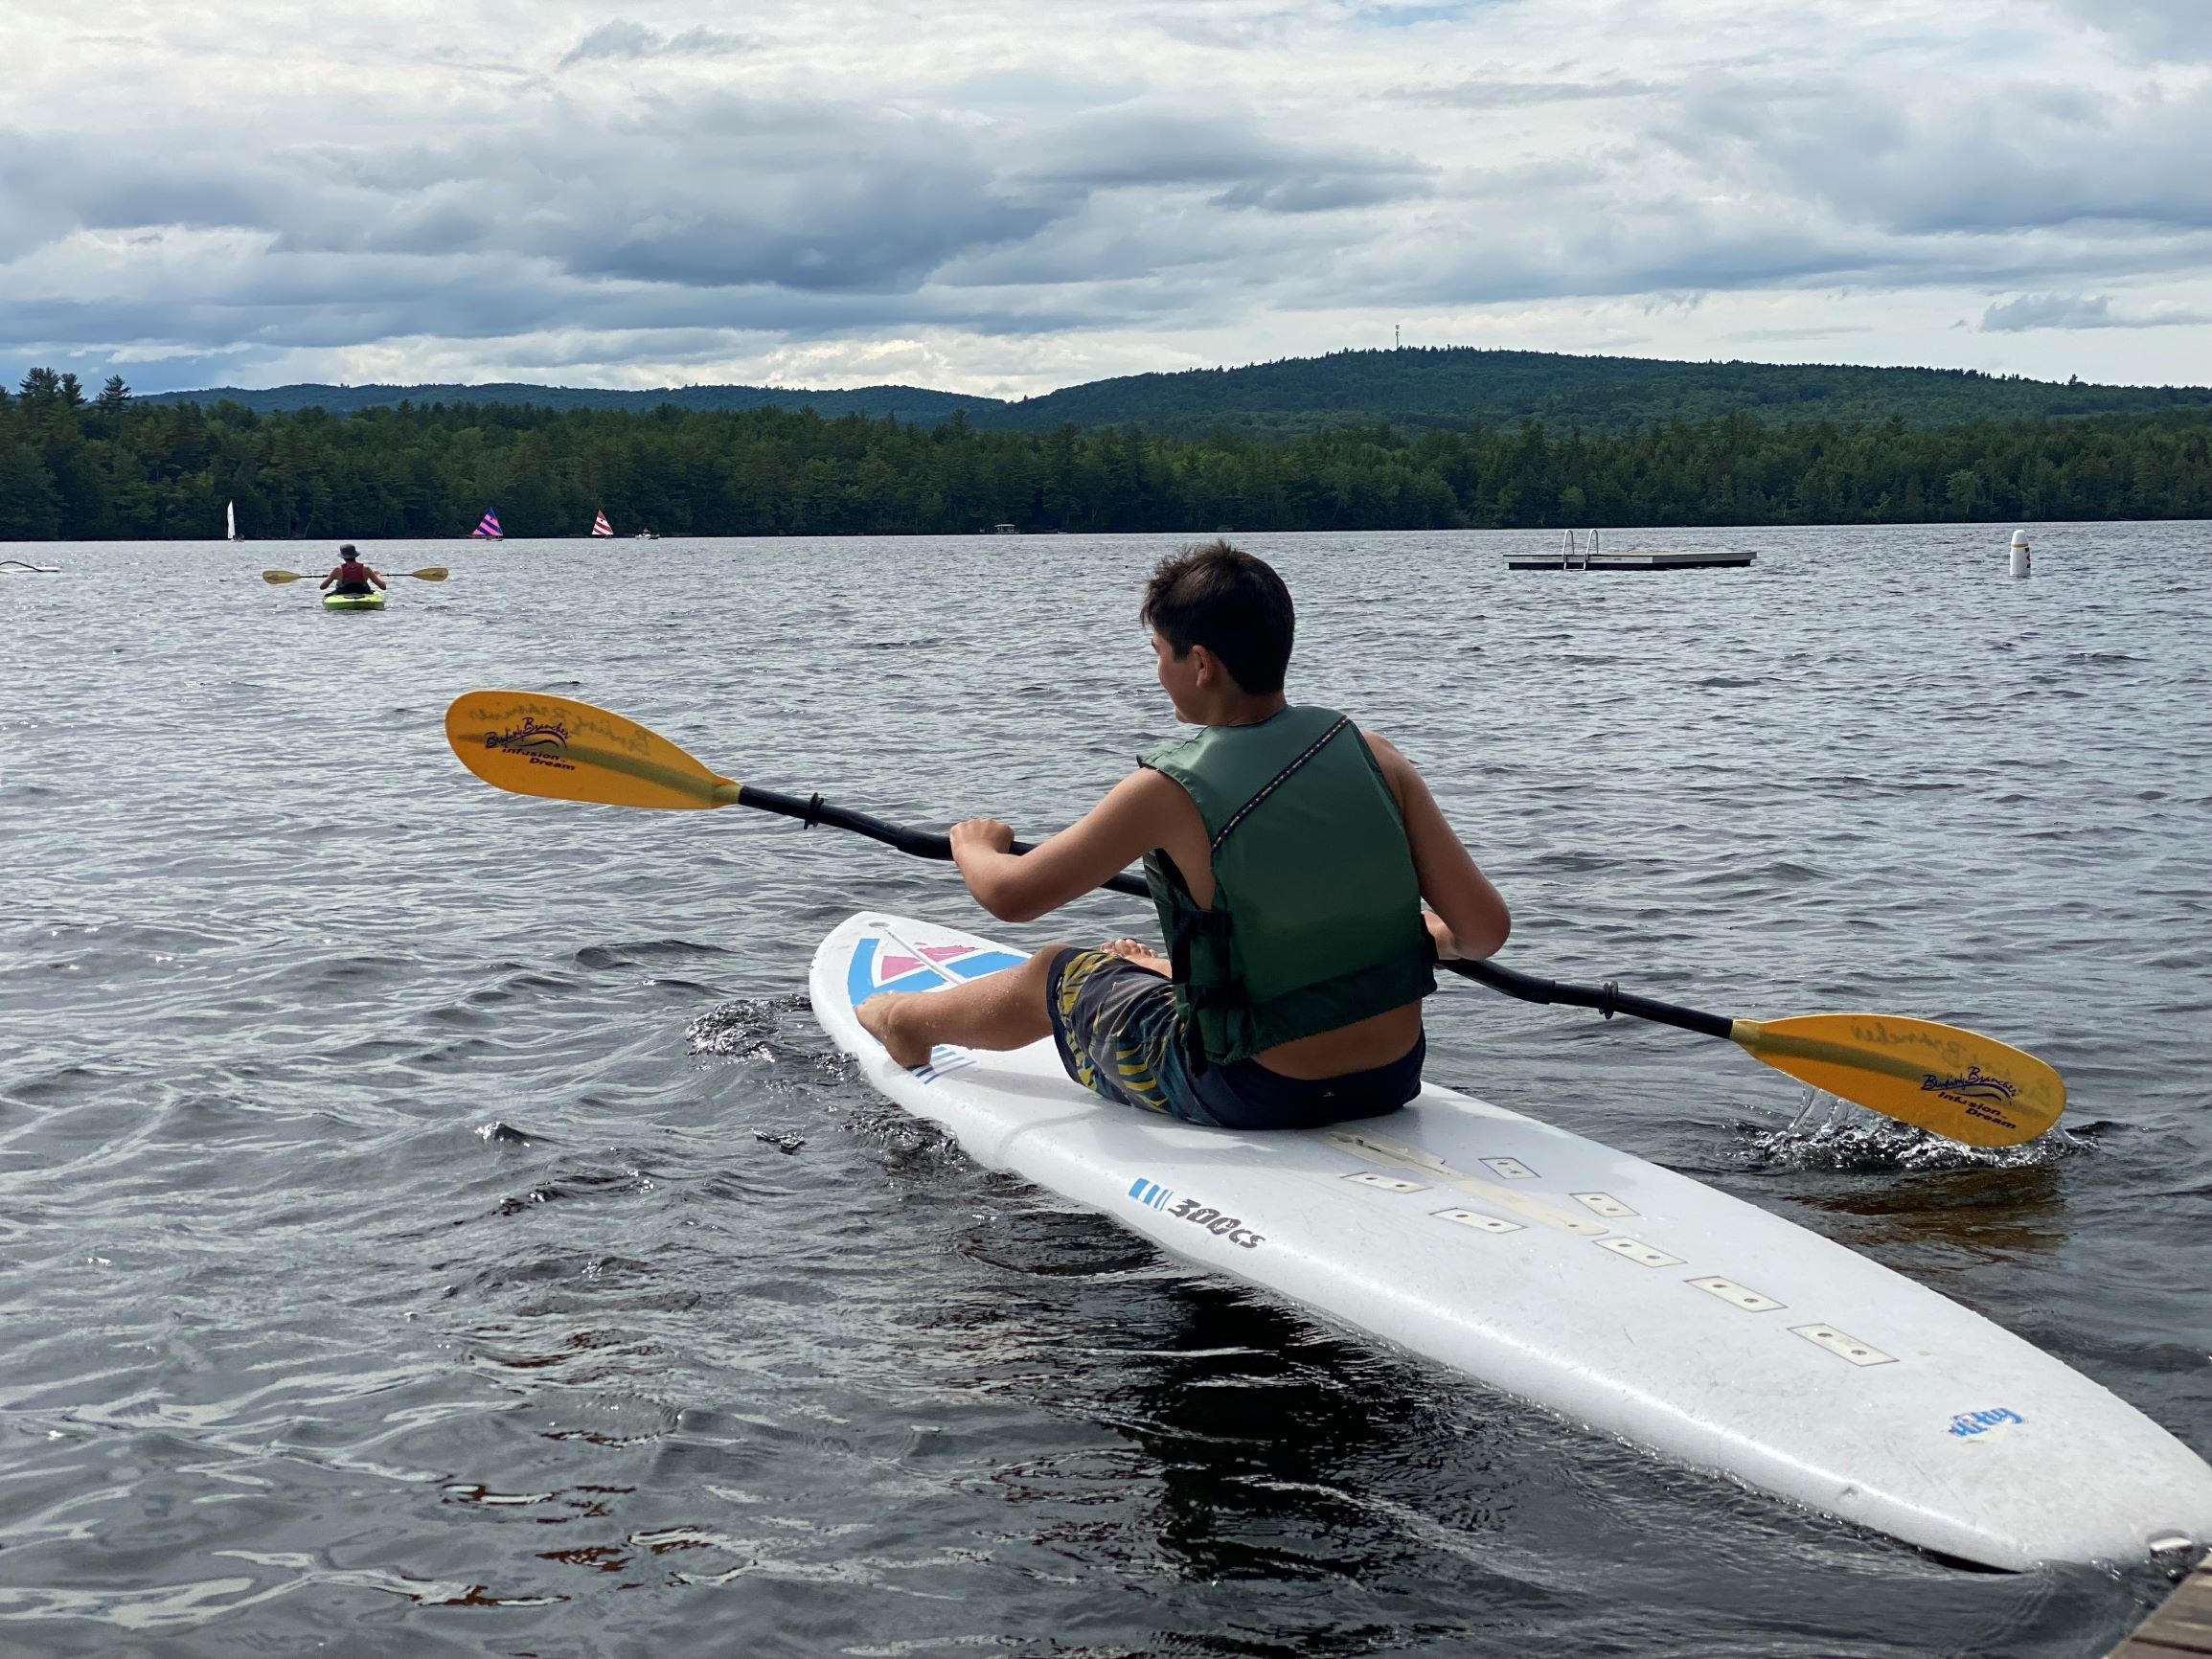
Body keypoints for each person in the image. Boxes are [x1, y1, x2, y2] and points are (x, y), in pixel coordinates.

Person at [857, 541, 1510, 1131]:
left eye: (1158, 653)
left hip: (1252, 1088)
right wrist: (1416, 935)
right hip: (1392, 1076)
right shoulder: (1376, 756)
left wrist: (974, 846)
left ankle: (904, 1022)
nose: (1157, 670)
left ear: (1199, 663)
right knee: (1189, 960)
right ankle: (1157, 972)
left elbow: (1011, 897)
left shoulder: (1168, 790)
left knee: (1054, 972)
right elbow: (1482, 933)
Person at [318, 545, 386, 596]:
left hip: (343, 593)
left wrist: (332, 576)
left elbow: (322, 587)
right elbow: (383, 587)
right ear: (355, 555)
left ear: (343, 557)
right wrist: (378, 575)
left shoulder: (337, 570)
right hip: (363, 592)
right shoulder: (366, 569)